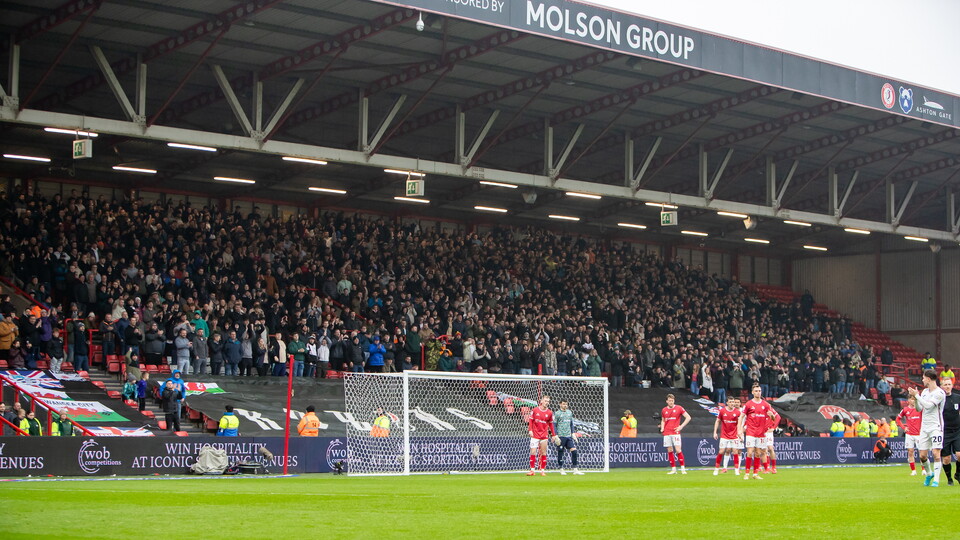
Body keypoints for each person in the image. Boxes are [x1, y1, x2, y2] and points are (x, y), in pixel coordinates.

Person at [909, 369, 946, 487]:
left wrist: (917, 396)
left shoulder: (939, 393)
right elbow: (920, 409)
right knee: (922, 455)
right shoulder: (924, 392)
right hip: (924, 427)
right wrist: (916, 399)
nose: (922, 380)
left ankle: (936, 479)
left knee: (936, 453)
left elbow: (929, 406)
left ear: (929, 379)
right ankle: (929, 473)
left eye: (923, 378)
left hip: (936, 427)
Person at [739, 384, 774, 480]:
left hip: (761, 433)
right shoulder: (749, 404)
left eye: (759, 390)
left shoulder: (765, 405)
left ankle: (755, 474)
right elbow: (741, 416)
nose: (758, 392)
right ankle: (746, 473)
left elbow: (773, 419)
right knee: (750, 452)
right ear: (752, 392)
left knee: (758, 453)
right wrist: (740, 429)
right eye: (756, 391)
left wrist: (772, 416)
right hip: (751, 432)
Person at [660, 393, 691, 475]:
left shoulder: (679, 408)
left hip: (675, 432)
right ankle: (673, 469)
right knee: (669, 450)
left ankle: (683, 468)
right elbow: (663, 420)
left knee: (678, 450)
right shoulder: (664, 410)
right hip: (667, 432)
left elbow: (688, 417)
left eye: (672, 401)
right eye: (669, 401)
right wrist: (662, 428)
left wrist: (681, 426)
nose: (671, 402)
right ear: (666, 401)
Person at [713, 395, 742, 475]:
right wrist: (715, 432)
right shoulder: (722, 411)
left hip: (734, 435)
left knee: (735, 451)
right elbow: (717, 421)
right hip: (724, 435)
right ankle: (716, 469)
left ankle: (736, 470)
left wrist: (739, 433)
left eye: (733, 402)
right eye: (730, 402)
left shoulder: (737, 412)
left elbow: (739, 423)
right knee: (721, 451)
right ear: (727, 403)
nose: (732, 403)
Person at [939, 378, 960, 485]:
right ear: (941, 386)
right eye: (945, 384)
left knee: (959, 454)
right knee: (946, 459)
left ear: (952, 386)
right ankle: (949, 479)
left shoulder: (957, 398)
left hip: (957, 431)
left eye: (949, 384)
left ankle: (958, 473)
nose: (947, 386)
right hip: (944, 432)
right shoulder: (939, 400)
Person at [527, 395, 555, 476]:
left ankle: (542, 470)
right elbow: (531, 420)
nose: (547, 403)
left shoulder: (549, 412)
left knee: (543, 452)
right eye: (545, 401)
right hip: (535, 434)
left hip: (544, 435)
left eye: (548, 401)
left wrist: (553, 435)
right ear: (541, 401)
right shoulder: (535, 410)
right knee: (533, 452)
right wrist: (530, 430)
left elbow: (551, 424)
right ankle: (532, 470)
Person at [554, 399, 582, 475]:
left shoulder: (569, 413)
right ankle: (561, 469)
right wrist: (555, 435)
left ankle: (575, 469)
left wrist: (573, 433)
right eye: (563, 404)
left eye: (566, 404)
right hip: (561, 436)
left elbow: (571, 424)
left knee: (574, 451)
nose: (565, 405)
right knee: (561, 452)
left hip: (568, 436)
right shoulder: (557, 413)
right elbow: (554, 425)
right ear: (560, 404)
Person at [896, 396, 922, 476]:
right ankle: (913, 470)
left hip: (919, 434)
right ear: (908, 400)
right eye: (911, 399)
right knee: (910, 452)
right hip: (909, 434)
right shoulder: (905, 410)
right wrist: (904, 428)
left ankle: (923, 469)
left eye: (914, 399)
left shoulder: (920, 409)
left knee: (922, 452)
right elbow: (897, 419)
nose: (913, 401)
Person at [761, 407, 782, 474]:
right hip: (760, 432)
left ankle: (774, 467)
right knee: (764, 450)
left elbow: (778, 417)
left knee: (770, 448)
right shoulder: (756, 409)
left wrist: (773, 427)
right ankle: (767, 468)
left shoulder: (769, 408)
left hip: (768, 431)